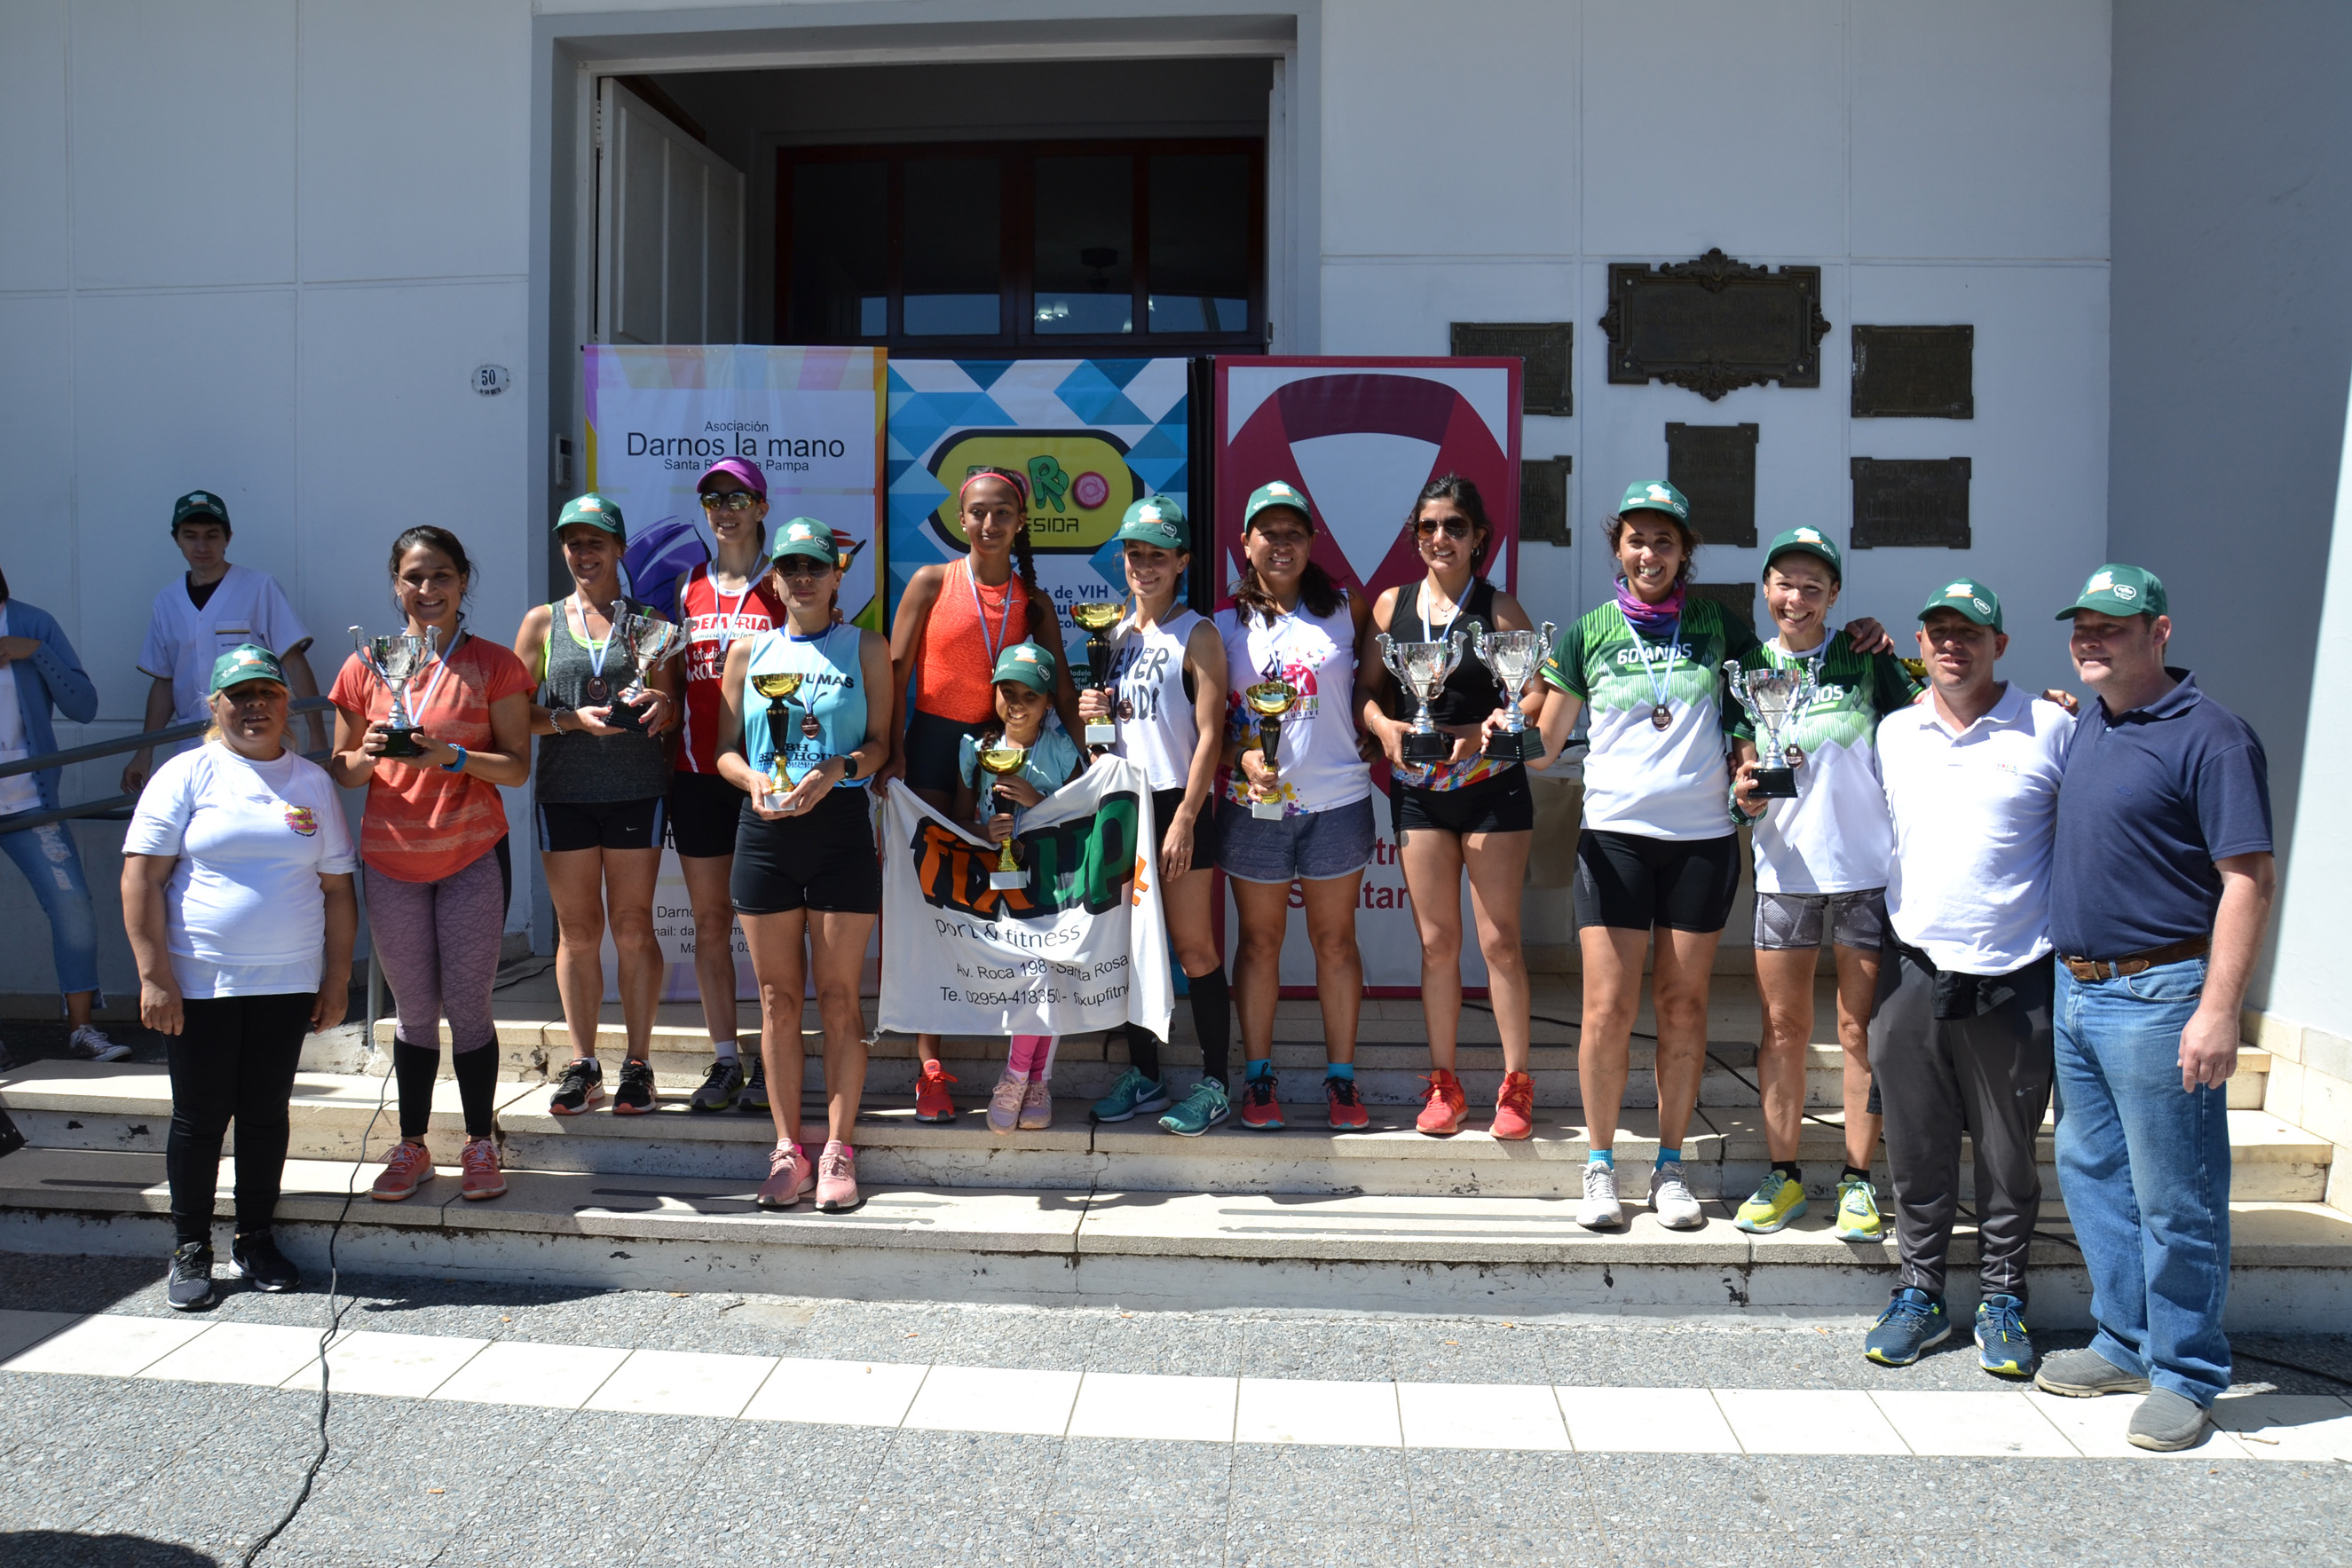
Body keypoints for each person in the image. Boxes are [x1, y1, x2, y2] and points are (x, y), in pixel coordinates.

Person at [2034, 565, 2275, 1450]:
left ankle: (2187, 1371)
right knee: (2094, 1175)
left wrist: (2219, 1010)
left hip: (2160, 994)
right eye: (2082, 626)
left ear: (2159, 632)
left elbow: (2247, 879)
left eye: (2112, 626)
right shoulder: (2089, 723)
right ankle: (2124, 1340)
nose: (2091, 639)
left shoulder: (2214, 737)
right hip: (2077, 989)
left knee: (2178, 1196)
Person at [1519, 482, 1759, 1230]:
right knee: (1607, 1007)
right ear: (1617, 548)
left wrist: (1751, 768)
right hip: (1614, 839)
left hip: (1702, 842)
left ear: (1685, 551)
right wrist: (1502, 731)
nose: (1649, 553)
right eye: (1636, 539)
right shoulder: (1588, 632)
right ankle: (1598, 1165)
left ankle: (1669, 1166)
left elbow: (1756, 711)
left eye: (1664, 540)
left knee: (1683, 1005)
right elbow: (1545, 747)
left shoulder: (1720, 626)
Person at [1862, 578, 2072, 1375]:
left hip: (2015, 971)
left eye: (1970, 633)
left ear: (1999, 645)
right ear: (1920, 645)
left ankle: (2002, 1298)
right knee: (1917, 1145)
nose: (1953, 645)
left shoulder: (2051, 725)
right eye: (1939, 632)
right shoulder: (1894, 732)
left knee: (2008, 1153)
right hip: (1913, 965)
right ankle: (1919, 1291)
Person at [121, 645, 357, 1311]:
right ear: (215, 705)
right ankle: (190, 1244)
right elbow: (141, 877)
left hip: (287, 981)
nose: (255, 706)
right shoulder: (186, 773)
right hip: (201, 982)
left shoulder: (311, 782)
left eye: (268, 693)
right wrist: (154, 975)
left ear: (287, 703)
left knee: (263, 1114)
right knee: (200, 1117)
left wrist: (337, 978)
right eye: (239, 695)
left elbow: (338, 889)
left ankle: (254, 1237)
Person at [327, 528, 533, 1204]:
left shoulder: (493, 663)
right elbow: (344, 771)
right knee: (414, 1011)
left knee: (469, 1006)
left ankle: (479, 1142)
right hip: (392, 861)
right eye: (413, 577)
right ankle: (412, 1144)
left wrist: (451, 756)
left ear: (463, 580)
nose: (427, 589)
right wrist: (371, 752)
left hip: (471, 855)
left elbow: (517, 767)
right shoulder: (366, 665)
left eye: (441, 575)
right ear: (396, 584)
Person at [1726, 528, 1920, 1238]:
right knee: (1783, 1029)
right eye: (1785, 583)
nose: (1797, 598)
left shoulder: (1867, 657)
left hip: (1867, 874)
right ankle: (1783, 1177)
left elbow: (1928, 727)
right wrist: (1744, 798)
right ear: (1766, 589)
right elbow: (1742, 771)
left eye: (1813, 586)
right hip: (1785, 873)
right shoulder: (1747, 668)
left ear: (1834, 595)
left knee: (1859, 1030)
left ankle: (1857, 1181)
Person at [882, 468, 1083, 1123]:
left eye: (1002, 513)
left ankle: (1022, 1058)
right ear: (960, 518)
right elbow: (896, 672)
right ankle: (930, 1067)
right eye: (978, 512)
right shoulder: (931, 582)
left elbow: (1060, 691)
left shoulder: (1034, 600)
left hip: (1002, 753)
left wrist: (1093, 763)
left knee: (1002, 900)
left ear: (1020, 522)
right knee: (927, 901)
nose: (989, 524)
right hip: (933, 748)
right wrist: (893, 750)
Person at [714, 518, 890, 1212]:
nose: (804, 578)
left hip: (840, 827)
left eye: (816, 566)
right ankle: (788, 1149)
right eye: (791, 567)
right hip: (764, 833)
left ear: (837, 574)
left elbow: (883, 744)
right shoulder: (748, 652)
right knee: (777, 999)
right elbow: (724, 750)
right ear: (775, 578)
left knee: (840, 998)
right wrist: (752, 779)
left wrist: (841, 766)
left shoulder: (866, 647)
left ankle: (840, 1149)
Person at [1361, 476, 1542, 1140]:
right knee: (1437, 944)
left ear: (1478, 538)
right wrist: (1384, 727)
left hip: (1493, 789)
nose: (1442, 537)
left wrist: (1497, 722)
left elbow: (1536, 692)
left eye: (1455, 526)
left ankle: (1516, 1085)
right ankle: (1444, 1084)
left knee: (1500, 941)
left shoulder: (1499, 608)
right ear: (1415, 537)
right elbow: (1366, 693)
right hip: (1420, 794)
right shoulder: (1391, 606)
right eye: (1429, 526)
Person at [1215, 481, 1377, 1132]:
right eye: (1268, 532)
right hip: (1252, 805)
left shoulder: (1347, 609)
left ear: (1311, 542)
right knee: (1259, 942)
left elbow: (1373, 691)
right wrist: (1242, 758)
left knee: (1335, 942)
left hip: (1337, 800)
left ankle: (1342, 1078)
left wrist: (1377, 728)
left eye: (1293, 533)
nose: (1280, 544)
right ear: (1245, 542)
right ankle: (1258, 1078)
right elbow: (1209, 728)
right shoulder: (1223, 626)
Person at [1074, 496, 1236, 1137]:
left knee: (1193, 948)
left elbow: (1210, 735)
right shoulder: (1112, 634)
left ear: (1182, 561)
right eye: (1134, 553)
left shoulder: (1198, 633)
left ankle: (1216, 1082)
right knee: (1129, 950)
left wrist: (1187, 817)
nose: (1144, 565)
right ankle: (1145, 1075)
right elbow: (1103, 736)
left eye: (1158, 555)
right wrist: (1090, 715)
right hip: (1120, 803)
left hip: (1174, 802)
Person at [513, 493, 678, 1116]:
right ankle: (583, 1065)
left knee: (633, 927)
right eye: (573, 542)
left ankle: (638, 1063)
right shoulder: (541, 623)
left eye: (596, 542)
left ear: (619, 548)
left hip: (636, 790)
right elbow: (515, 714)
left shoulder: (652, 621)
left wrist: (662, 707)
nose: (584, 553)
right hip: (565, 795)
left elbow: (672, 707)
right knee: (579, 933)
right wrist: (569, 720)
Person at [671, 458, 791, 1115]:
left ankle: (777, 1056)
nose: (724, 509)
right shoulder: (687, 585)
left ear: (762, 507)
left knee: (771, 927)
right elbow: (670, 679)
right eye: (713, 498)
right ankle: (725, 1059)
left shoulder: (785, 583)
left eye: (738, 498)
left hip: (768, 778)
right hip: (696, 774)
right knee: (711, 922)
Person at [951, 642, 1085, 1134]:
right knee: (1031, 976)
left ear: (1049, 702)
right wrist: (985, 833)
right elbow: (960, 819)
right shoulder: (975, 748)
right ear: (993, 694)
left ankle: (1022, 1079)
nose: (1018, 704)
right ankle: (1030, 1081)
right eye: (1008, 692)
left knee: (1047, 975)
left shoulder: (1062, 750)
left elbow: (1084, 816)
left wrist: (1038, 801)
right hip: (997, 887)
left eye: (1031, 695)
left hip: (1054, 882)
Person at [122, 491, 324, 794]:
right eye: (191, 536)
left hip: (256, 736)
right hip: (193, 742)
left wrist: (318, 737)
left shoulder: (259, 588)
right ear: (176, 539)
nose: (202, 546)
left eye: (212, 535)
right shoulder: (167, 600)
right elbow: (164, 681)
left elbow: (294, 662)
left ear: (228, 537)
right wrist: (144, 752)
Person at [0, 563, 122, 1065]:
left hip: (31, 801)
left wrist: (35, 651)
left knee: (72, 909)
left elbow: (84, 707)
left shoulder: (32, 622)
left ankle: (82, 1029)